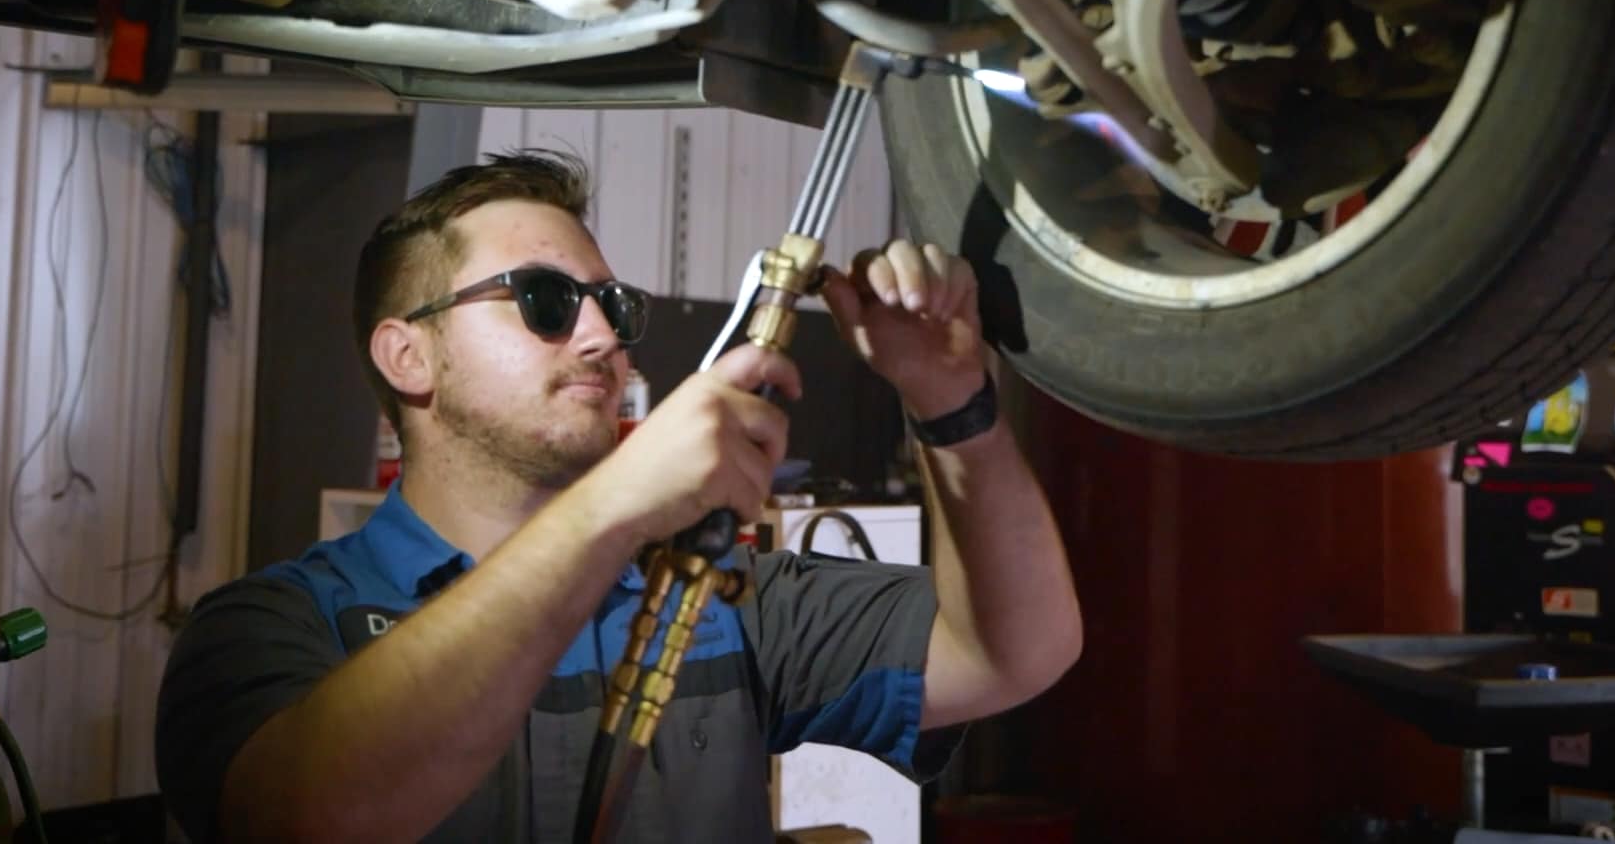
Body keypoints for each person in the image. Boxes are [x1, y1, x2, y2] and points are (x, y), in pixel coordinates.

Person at [154, 149, 1082, 842]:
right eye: (546, 301)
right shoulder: (275, 626)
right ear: (409, 355)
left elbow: (1016, 651)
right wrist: (614, 507)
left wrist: (954, 406)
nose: (602, 335)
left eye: (613, 305)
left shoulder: (723, 603)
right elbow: (309, 816)